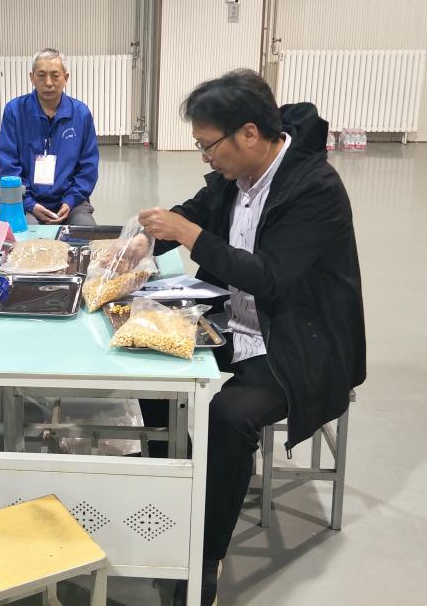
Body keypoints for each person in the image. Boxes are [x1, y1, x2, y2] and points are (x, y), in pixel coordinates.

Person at [136, 69, 365, 605]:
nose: (205, 157)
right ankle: (182, 488)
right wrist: (145, 242)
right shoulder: (234, 175)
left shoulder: (314, 189)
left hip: (294, 344)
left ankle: (204, 554)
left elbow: (270, 277)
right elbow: (193, 212)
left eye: (208, 145)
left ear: (249, 134)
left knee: (229, 416)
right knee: (149, 362)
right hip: (233, 322)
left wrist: (190, 236)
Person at [0, 48, 99, 226]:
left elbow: (88, 167)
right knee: (25, 235)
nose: (48, 83)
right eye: (41, 75)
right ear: (32, 77)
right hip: (25, 201)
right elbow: (8, 165)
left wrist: (70, 201)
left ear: (66, 77)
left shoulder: (81, 114)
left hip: (71, 203)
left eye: (55, 75)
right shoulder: (14, 111)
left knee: (86, 231)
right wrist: (30, 204)